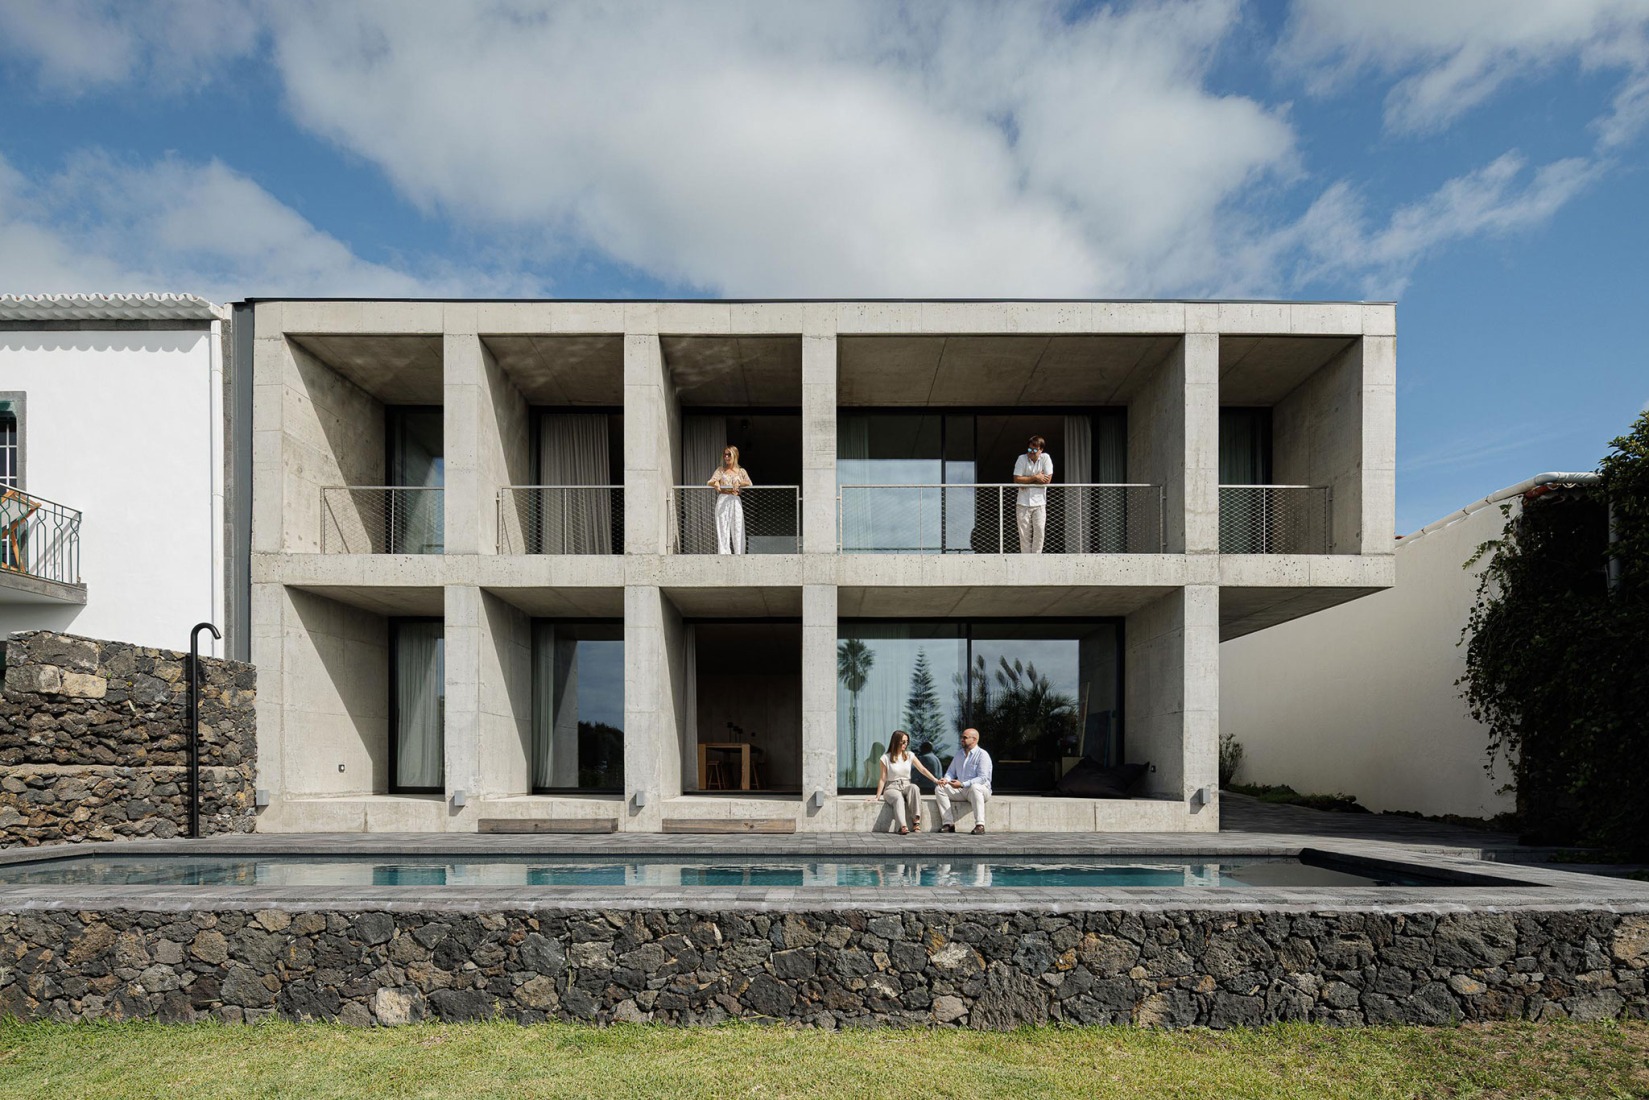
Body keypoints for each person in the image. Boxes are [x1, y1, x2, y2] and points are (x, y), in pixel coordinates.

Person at [865, 729, 942, 835]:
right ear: (896, 742)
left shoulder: (909, 755)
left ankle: (916, 822)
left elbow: (922, 769)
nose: (905, 744)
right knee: (898, 797)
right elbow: (882, 778)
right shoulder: (885, 758)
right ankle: (902, 826)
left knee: (914, 787)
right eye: (903, 742)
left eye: (907, 742)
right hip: (891, 787)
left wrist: (936, 780)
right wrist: (877, 797)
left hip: (906, 785)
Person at [935, 726, 993, 833]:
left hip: (980, 791)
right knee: (940, 788)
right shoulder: (959, 754)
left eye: (965, 737)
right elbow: (951, 772)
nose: (962, 739)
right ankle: (948, 824)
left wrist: (962, 784)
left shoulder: (983, 755)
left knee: (975, 787)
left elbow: (983, 778)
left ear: (974, 739)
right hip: (962, 790)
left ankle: (980, 825)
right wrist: (946, 780)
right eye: (962, 737)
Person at [1012, 435, 1053, 554]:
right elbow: (1017, 479)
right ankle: (1026, 559)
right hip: (1022, 503)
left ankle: (1036, 558)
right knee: (1024, 534)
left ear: (1041, 450)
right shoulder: (1021, 459)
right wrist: (1036, 477)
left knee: (1039, 531)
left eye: (1035, 450)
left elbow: (1047, 480)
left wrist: (1026, 481)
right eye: (1029, 449)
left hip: (1040, 502)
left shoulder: (1046, 458)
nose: (1031, 452)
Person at [708, 445, 752, 554]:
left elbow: (749, 483)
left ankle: (739, 553)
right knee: (722, 526)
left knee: (738, 526)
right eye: (725, 455)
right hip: (723, 498)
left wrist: (739, 482)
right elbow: (710, 482)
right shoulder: (721, 470)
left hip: (735, 499)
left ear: (735, 455)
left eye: (729, 454)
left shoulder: (741, 471)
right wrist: (716, 482)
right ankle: (724, 553)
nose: (726, 457)